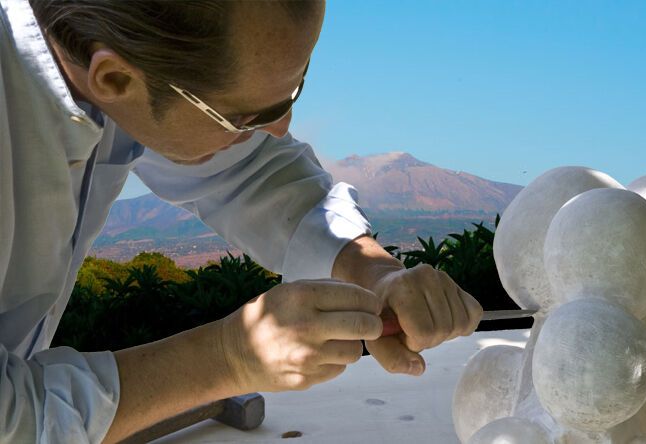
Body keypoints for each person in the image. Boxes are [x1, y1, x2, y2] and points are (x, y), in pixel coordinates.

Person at [0, 0, 483, 442]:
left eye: (298, 86)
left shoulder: (110, 58)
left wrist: (373, 271)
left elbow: (250, 170)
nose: (283, 127)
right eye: (246, 115)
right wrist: (227, 356)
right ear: (116, 80)